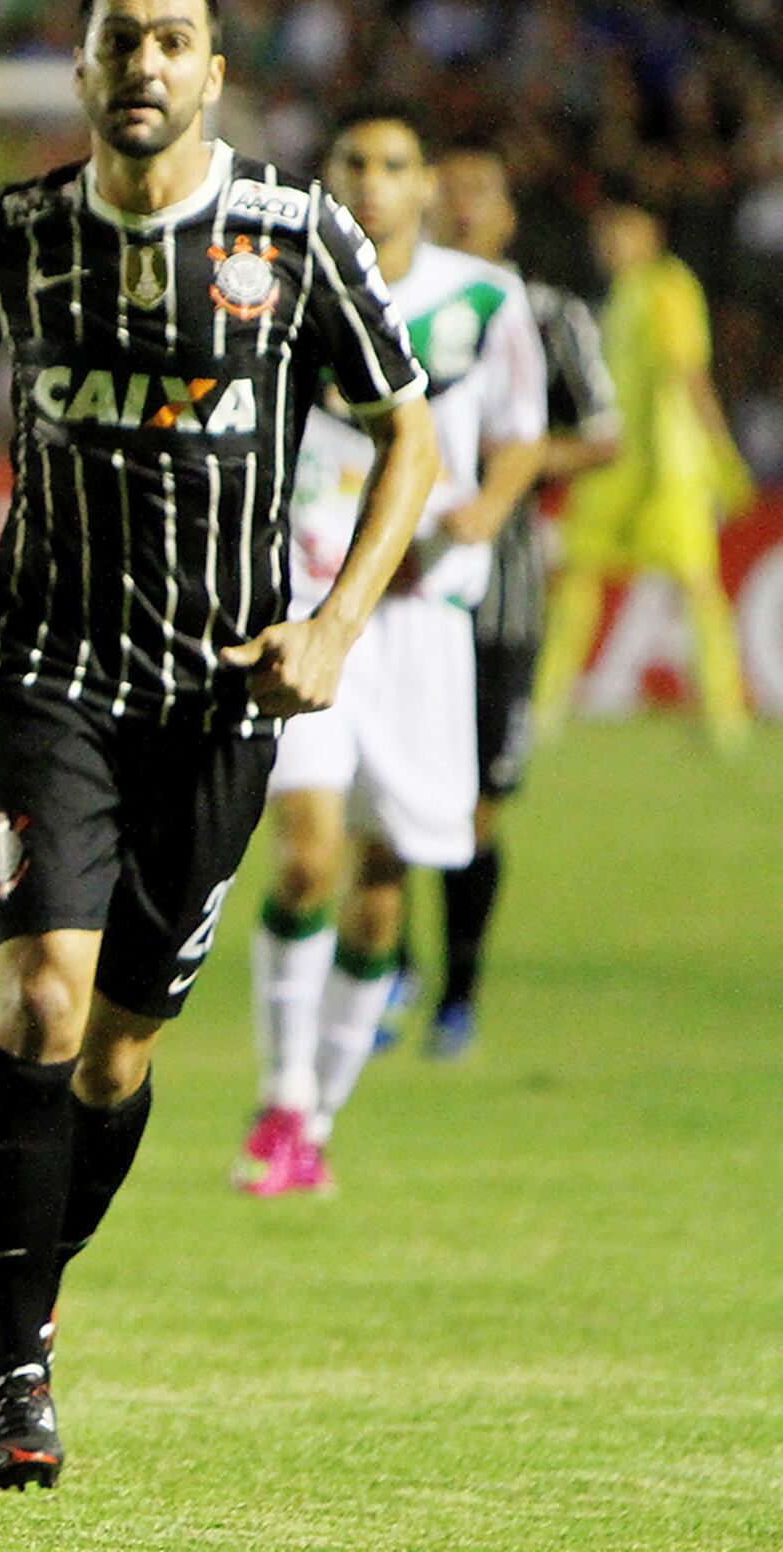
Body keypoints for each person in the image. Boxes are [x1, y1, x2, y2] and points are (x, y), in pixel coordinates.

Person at [0, 0, 436, 1489]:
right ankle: (13, 1369)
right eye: (116, 41)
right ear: (80, 75)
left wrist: (336, 622)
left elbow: (407, 430)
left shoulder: (296, 237)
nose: (144, 62)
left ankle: (33, 1316)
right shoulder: (7, 240)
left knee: (121, 1058)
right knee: (44, 1008)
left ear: (217, 73)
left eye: (174, 40)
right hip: (47, 675)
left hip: (221, 699)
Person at [235, 108, 543, 1196]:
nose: (372, 181)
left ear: (427, 190)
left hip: (424, 623)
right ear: (327, 179)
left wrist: (488, 508)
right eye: (353, 163)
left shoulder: (483, 299)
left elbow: (520, 432)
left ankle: (318, 1109)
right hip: (310, 610)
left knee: (379, 886)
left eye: (395, 166)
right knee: (306, 852)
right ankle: (279, 1100)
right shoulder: (274, 281)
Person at [420, 146, 619, 1058]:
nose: (463, 206)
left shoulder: (548, 316)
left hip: (502, 597)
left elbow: (603, 437)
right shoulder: (395, 307)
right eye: (449, 191)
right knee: (376, 800)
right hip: (402, 589)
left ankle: (457, 993)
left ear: (506, 216)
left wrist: (513, 463)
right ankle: (382, 967)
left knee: (478, 805)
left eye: (480, 193)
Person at [533, 203, 756, 754]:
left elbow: (686, 375)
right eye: (603, 233)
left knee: (696, 585)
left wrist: (721, 455)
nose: (609, 244)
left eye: (620, 232)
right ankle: (542, 709)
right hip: (614, 466)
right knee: (577, 581)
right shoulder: (623, 294)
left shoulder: (667, 287)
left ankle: (724, 716)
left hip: (670, 467)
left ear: (649, 235)